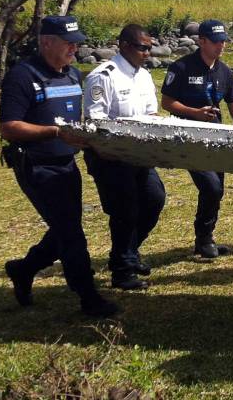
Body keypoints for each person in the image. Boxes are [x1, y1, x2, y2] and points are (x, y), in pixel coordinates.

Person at [0, 15, 118, 317]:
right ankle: (88, 296)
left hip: (67, 164)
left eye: (77, 43)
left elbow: (74, 121)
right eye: (68, 43)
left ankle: (23, 268)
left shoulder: (73, 75)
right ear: (46, 42)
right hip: (37, 166)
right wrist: (53, 133)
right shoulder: (22, 76)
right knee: (71, 233)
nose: (74, 49)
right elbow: (9, 127)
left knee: (64, 229)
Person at [83, 24, 166, 291]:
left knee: (154, 200)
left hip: (140, 155)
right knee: (125, 211)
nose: (147, 53)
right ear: (125, 46)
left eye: (150, 48)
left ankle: (128, 253)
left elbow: (151, 115)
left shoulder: (143, 76)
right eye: (143, 47)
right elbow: (96, 123)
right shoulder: (103, 76)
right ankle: (121, 270)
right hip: (111, 156)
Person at [161, 20, 233, 258]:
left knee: (217, 188)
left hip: (216, 137)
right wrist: (195, 113)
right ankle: (203, 238)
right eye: (216, 41)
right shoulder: (181, 68)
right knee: (210, 186)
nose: (221, 46)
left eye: (223, 41)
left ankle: (205, 238)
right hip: (188, 137)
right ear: (202, 41)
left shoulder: (224, 71)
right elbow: (167, 103)